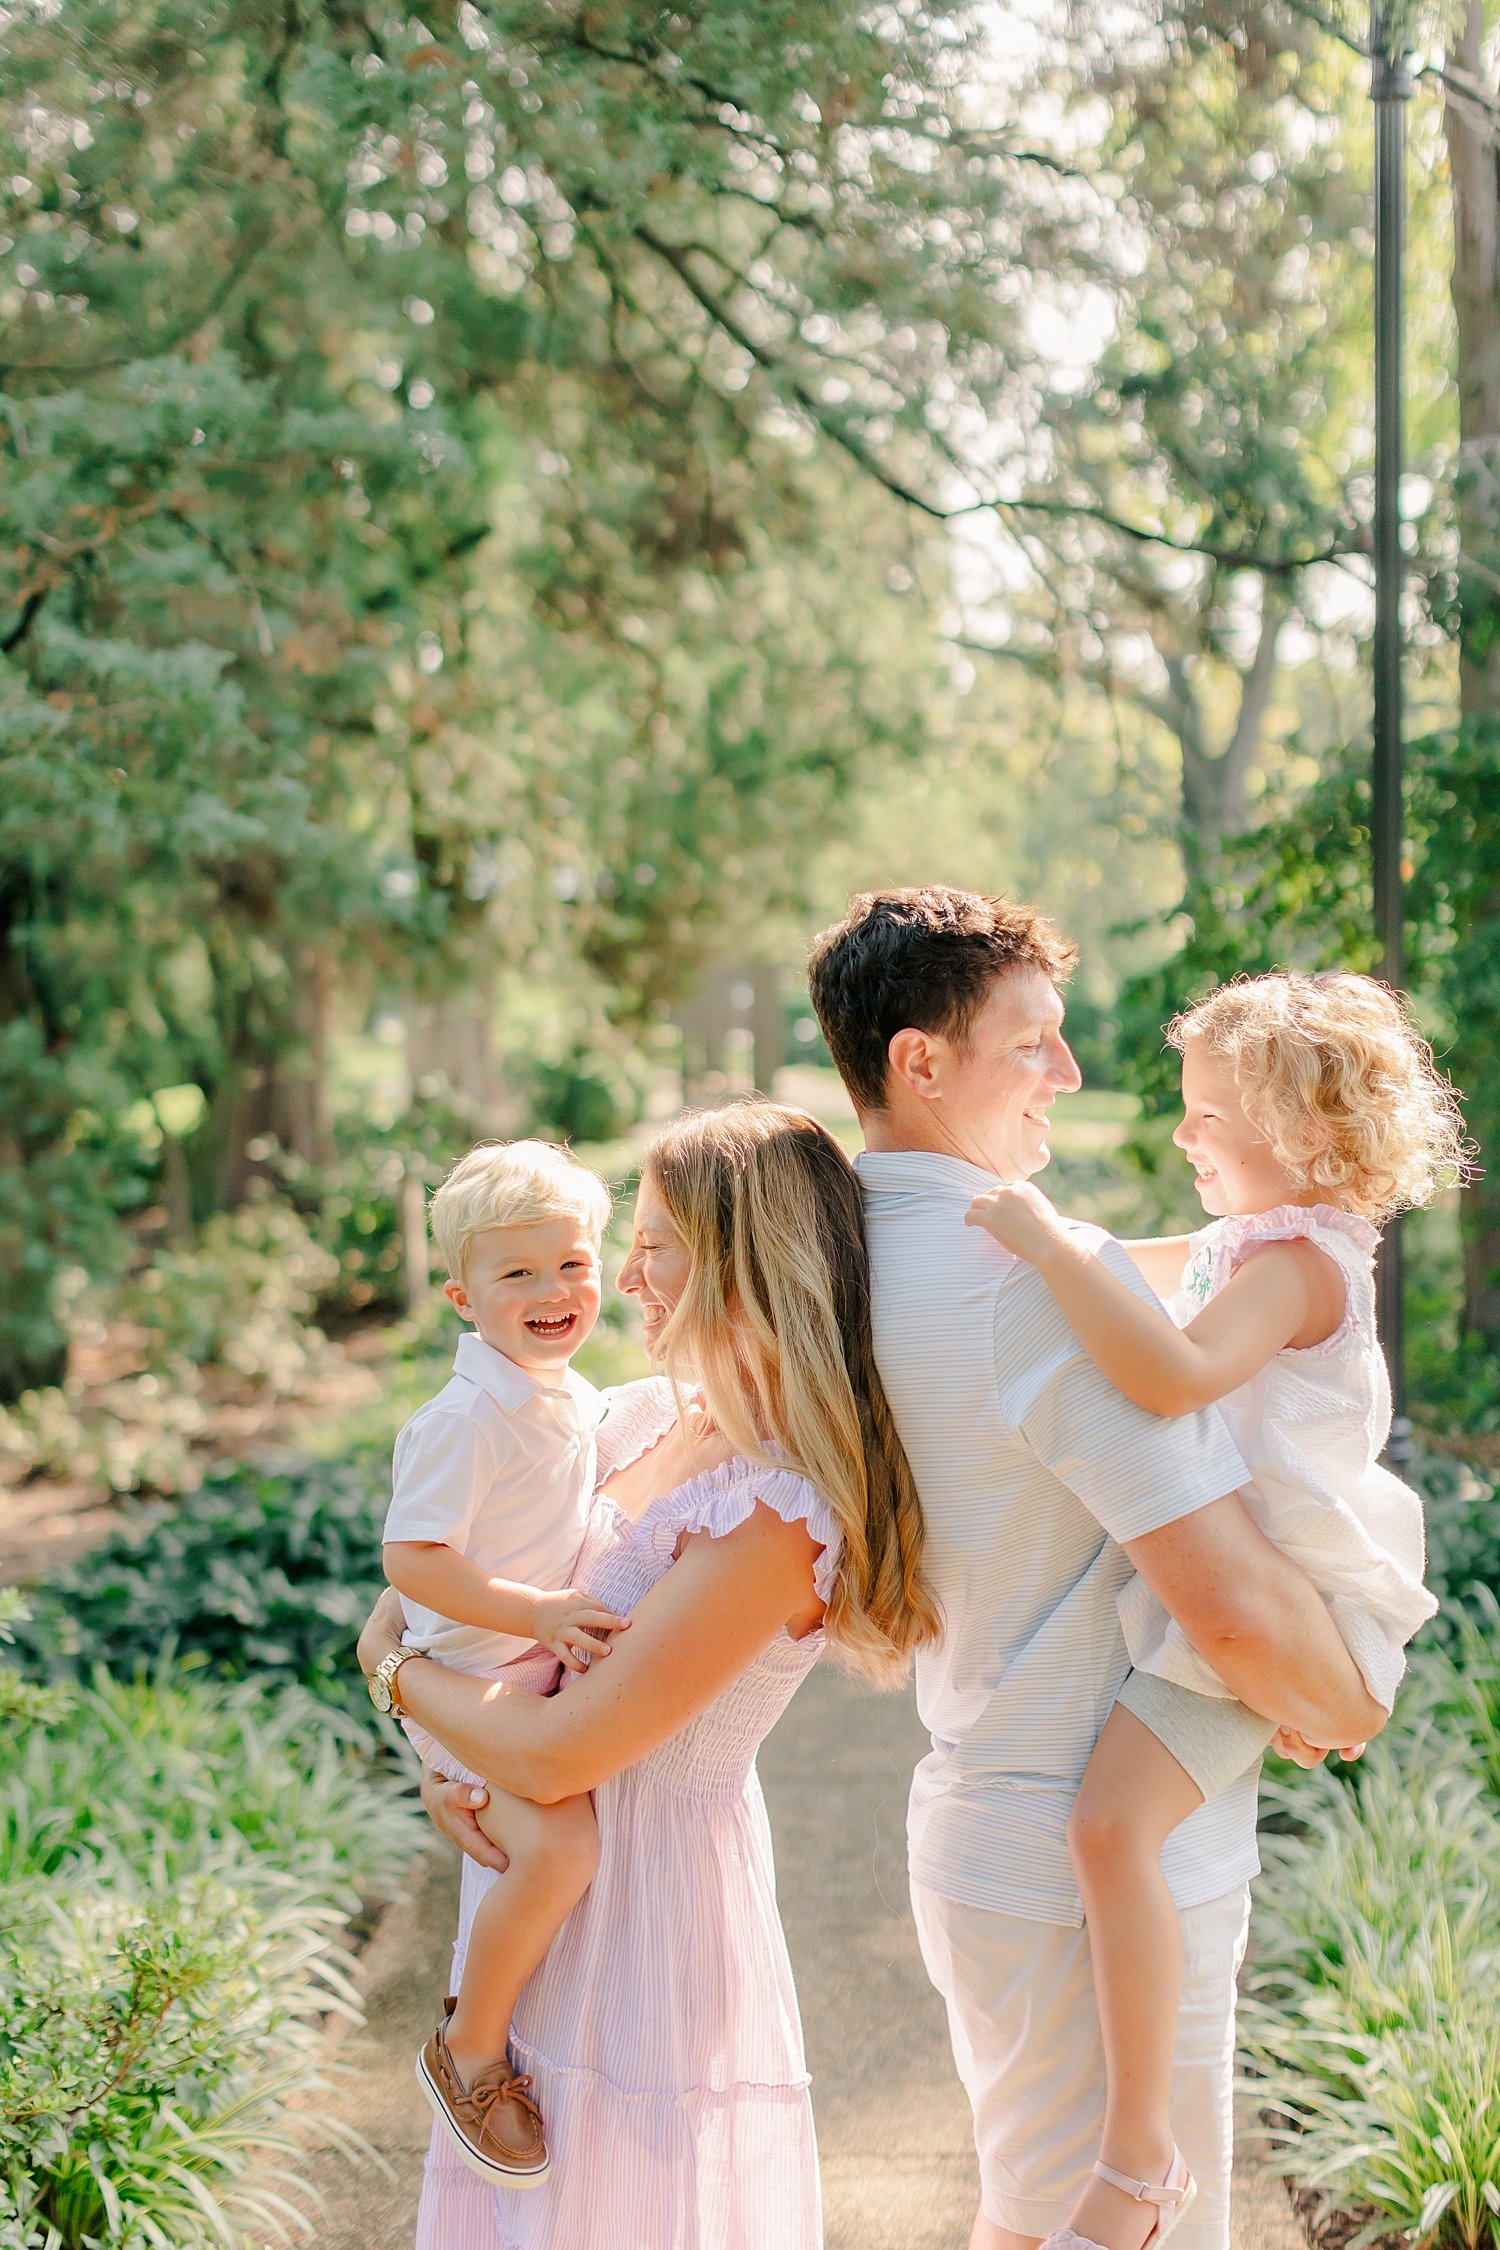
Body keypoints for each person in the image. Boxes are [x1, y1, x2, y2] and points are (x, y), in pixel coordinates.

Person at [805, 888, 1387, 2250]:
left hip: (983, 1833)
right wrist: (1351, 1702)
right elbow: (1234, 1608)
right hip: (1092, 1877)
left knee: (1027, 2220)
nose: (1069, 1074)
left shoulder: (834, 1261)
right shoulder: (1025, 1280)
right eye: (1036, 1043)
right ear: (920, 1063)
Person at [357, 1101, 939, 2250]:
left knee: (617, 2207)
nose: (623, 1278)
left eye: (653, 1243)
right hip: (538, 1863)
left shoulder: (777, 1513)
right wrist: (445, 1750)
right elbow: (428, 1583)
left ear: (740, 1260)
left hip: (649, 1910)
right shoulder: (635, 1419)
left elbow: (544, 1734)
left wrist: (391, 1677)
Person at [966, 972, 1463, 2250]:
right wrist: (1053, 1248)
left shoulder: (1302, 1268)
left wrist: (1046, 1245)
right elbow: (1138, 1276)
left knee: (1108, 1833)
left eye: (1206, 1119)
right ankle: (1138, 2157)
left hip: (1270, 1609)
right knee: (1111, 1833)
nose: (1183, 1137)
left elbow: (1172, 1371)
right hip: (1239, 1607)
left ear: (1299, 1137)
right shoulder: (1260, 1246)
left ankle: (1139, 2162)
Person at [376, 1140, 632, 2190]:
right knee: (561, 1849)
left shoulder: (566, 1394)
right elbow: (411, 1560)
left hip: (525, 1674)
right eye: (517, 1274)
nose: (552, 1292)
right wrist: (538, 1610)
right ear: (459, 1296)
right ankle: (469, 2043)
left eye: (570, 1264)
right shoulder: (464, 1418)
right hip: (473, 1681)